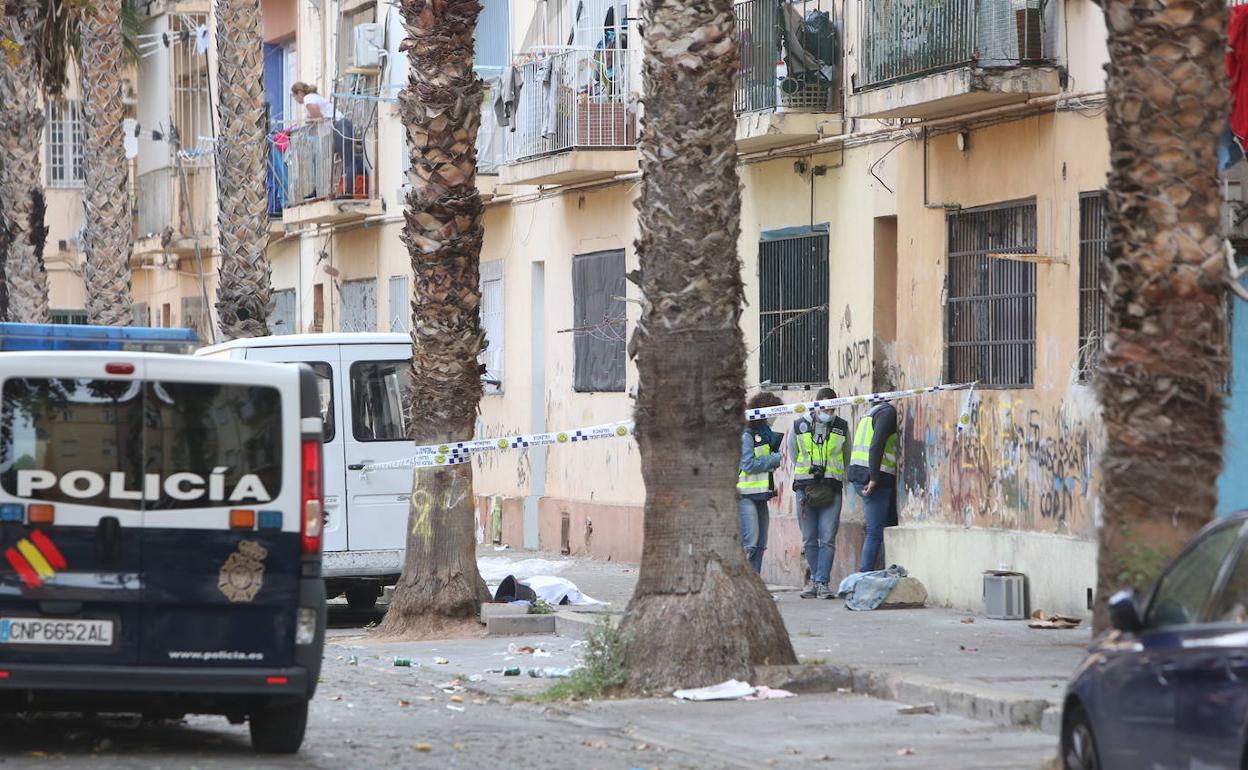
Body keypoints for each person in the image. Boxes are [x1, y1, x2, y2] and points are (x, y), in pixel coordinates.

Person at [791, 387, 850, 598]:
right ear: (815, 405)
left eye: (831, 408)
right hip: (805, 488)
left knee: (827, 538)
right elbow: (793, 453)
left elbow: (846, 454)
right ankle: (815, 581)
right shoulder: (799, 425)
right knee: (809, 538)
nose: (828, 411)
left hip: (831, 487)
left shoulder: (842, 427)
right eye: (824, 407)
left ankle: (823, 583)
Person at [848, 398, 899, 573]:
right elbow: (876, 445)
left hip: (859, 474)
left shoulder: (872, 412)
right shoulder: (888, 413)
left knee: (882, 528)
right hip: (875, 480)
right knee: (875, 533)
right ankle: (864, 577)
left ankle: (881, 573)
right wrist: (874, 478)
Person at [290, 82, 361, 198]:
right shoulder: (315, 97)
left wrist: (310, 120)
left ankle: (348, 192)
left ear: (299, 93)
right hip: (337, 129)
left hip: (339, 127)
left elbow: (319, 117)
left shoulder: (308, 98)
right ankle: (318, 190)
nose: (295, 99)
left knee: (347, 160)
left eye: (294, 96)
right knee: (318, 158)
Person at [739, 392, 784, 574]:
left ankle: (756, 583)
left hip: (761, 494)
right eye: (772, 413)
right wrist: (773, 459)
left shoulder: (767, 436)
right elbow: (748, 464)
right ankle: (742, 583)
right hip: (745, 495)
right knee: (750, 542)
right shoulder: (747, 435)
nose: (774, 418)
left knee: (760, 544)